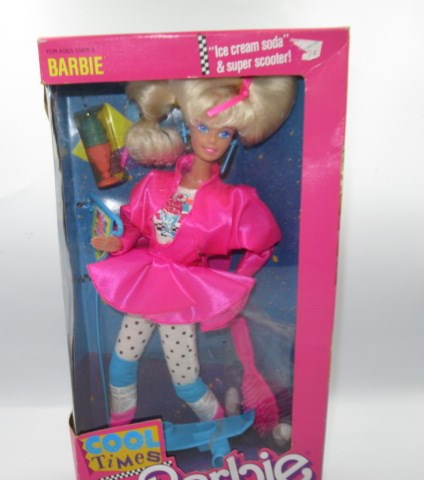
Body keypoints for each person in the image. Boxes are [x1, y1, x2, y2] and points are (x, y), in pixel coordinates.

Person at [88, 76, 296, 427]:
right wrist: (118, 243)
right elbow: (135, 227)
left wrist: (231, 288)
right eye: (204, 127)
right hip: (146, 283)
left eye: (224, 132)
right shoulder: (154, 185)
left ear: (233, 139)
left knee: (185, 380)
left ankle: (217, 428)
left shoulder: (232, 202)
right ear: (187, 127)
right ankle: (118, 430)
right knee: (121, 364)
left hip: (182, 295)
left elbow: (261, 245)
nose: (212, 140)